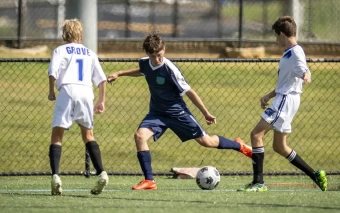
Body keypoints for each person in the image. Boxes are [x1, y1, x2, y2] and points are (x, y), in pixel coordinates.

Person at [107, 32, 252, 190]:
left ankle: (240, 146)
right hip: (157, 113)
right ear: (147, 54)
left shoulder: (170, 69)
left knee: (207, 142)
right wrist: (119, 73)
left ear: (164, 50)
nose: (157, 59)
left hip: (177, 113)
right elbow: (142, 70)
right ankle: (149, 180)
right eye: (153, 56)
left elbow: (189, 92)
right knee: (139, 136)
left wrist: (206, 113)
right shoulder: (145, 63)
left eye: (159, 55)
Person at [237, 16, 327, 192]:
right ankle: (315, 174)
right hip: (286, 98)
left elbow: (303, 68)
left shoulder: (295, 52)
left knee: (256, 134)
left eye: (276, 36)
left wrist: (306, 74)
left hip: (286, 100)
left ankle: (258, 183)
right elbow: (287, 81)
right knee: (279, 146)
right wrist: (268, 95)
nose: (276, 40)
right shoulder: (290, 52)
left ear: (282, 34)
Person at [48, 19, 109, 195]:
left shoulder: (59, 50)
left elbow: (53, 72)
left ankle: (56, 176)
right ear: (81, 36)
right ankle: (102, 173)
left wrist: (51, 91)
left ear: (63, 35)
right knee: (88, 135)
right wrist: (101, 101)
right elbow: (102, 79)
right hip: (86, 92)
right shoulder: (90, 53)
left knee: (57, 136)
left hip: (67, 91)